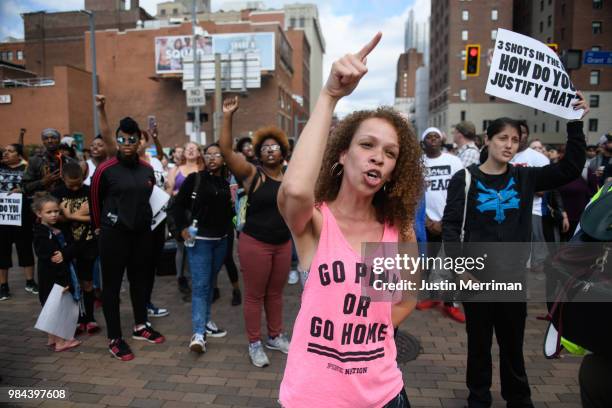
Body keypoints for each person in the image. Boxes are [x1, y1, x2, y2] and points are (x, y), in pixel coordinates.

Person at [278, 32, 421, 407]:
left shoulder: (396, 228)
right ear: (342, 155)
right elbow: (294, 190)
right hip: (314, 396)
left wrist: (367, 335)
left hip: (384, 394)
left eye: (390, 153)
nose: (378, 157)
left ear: (394, 170)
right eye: (367, 145)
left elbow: (404, 299)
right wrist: (329, 96)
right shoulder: (317, 224)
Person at [442, 92, 589, 408]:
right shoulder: (465, 179)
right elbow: (451, 228)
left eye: (515, 139)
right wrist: (460, 269)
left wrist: (575, 123)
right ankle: (478, 397)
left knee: (512, 345)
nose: (509, 144)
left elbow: (571, 169)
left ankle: (518, 398)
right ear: (488, 139)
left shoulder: (525, 178)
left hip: (512, 279)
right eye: (502, 138)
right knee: (478, 345)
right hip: (477, 280)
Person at [220, 96, 292, 368]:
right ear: (258, 154)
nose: (270, 151)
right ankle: (254, 343)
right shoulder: (252, 174)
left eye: (276, 147)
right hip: (255, 243)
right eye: (265, 148)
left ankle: (275, 336)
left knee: (275, 294)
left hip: (283, 244)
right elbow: (227, 151)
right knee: (254, 295)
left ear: (284, 153)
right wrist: (228, 116)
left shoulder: (292, 176)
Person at [91, 116, 166, 361]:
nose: (126, 143)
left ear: (138, 142)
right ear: (117, 139)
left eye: (131, 140)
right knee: (111, 287)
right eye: (122, 139)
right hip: (113, 235)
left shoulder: (146, 169)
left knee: (140, 281)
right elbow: (94, 198)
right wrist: (98, 227)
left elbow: (150, 197)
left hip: (141, 235)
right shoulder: (106, 169)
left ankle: (140, 325)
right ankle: (114, 337)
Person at [170, 143, 231, 353]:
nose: (213, 157)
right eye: (209, 154)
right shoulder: (195, 179)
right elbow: (177, 206)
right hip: (201, 241)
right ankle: (198, 334)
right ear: (204, 158)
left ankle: (205, 321)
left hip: (221, 240)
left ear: (224, 159)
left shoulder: (226, 182)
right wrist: (181, 229)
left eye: (218, 154)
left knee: (209, 282)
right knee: (201, 286)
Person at [417, 127, 466, 323]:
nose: (433, 139)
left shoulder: (453, 161)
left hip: (450, 221)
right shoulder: (417, 163)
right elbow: (415, 194)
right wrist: (427, 221)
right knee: (429, 262)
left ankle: (450, 303)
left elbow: (461, 190)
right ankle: (432, 297)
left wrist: (445, 221)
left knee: (451, 262)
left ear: (441, 139)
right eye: (428, 136)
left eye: (436, 136)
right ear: (424, 142)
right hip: (426, 223)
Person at [52, 161, 100, 335]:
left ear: (83, 177)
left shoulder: (89, 192)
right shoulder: (57, 193)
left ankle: (90, 318)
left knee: (87, 282)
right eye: (71, 185)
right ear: (62, 179)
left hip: (88, 243)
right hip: (67, 244)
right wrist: (78, 215)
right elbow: (56, 218)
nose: (75, 189)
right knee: (72, 283)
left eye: (78, 184)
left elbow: (96, 218)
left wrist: (69, 215)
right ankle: (77, 319)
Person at [31, 193, 81, 352]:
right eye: (49, 212)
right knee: (57, 308)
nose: (54, 215)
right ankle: (60, 342)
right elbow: (53, 260)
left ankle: (52, 338)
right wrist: (64, 281)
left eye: (56, 211)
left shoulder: (57, 229)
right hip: (53, 277)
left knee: (52, 306)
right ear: (39, 213)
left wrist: (65, 253)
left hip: (54, 276)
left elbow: (73, 247)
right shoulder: (41, 233)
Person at [511, 120, 550, 274]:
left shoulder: (538, 158)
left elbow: (542, 190)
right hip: (507, 210)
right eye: (517, 132)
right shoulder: (505, 155)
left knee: (533, 259)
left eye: (524, 132)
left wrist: (515, 185)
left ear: (528, 135)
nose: (520, 135)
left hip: (531, 210)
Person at [0, 143, 38, 300]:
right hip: (2, 217)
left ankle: (30, 282)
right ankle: (3, 286)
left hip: (23, 216)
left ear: (19, 155)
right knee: (2, 251)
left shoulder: (27, 168)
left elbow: (35, 188)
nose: (6, 153)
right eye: (5, 151)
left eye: (10, 151)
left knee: (25, 248)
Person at [166, 141, 204, 294]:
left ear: (199, 153)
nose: (190, 150)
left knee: (196, 245)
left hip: (196, 212)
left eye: (194, 148)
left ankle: (195, 276)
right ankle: (181, 277)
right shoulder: (175, 170)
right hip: (179, 212)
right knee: (181, 245)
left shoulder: (202, 170)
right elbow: (168, 192)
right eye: (187, 148)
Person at [22, 128, 77, 195]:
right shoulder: (34, 161)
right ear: (43, 142)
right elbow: (25, 187)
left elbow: (77, 184)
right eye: (46, 138)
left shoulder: (69, 161)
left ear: (59, 140)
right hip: (41, 200)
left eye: (53, 138)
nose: (50, 141)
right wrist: (42, 182)